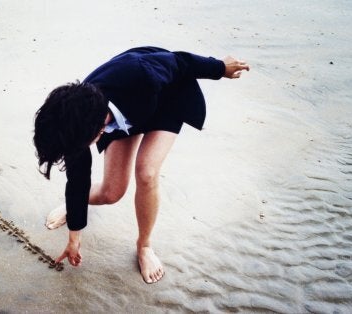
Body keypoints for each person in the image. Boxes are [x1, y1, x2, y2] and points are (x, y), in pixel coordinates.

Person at [33, 46, 249, 283]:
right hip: (117, 116)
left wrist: (220, 67)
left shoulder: (137, 72)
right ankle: (72, 206)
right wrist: (74, 236)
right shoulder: (74, 127)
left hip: (165, 99)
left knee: (146, 172)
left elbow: (180, 62)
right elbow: (78, 180)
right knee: (111, 192)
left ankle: (144, 246)